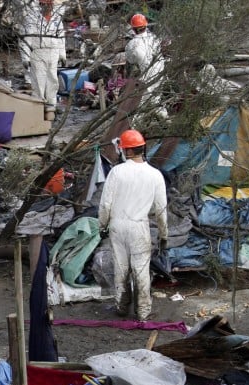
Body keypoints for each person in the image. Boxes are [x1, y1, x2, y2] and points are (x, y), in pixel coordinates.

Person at [97, 129, 167, 320]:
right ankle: (143, 311)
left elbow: (105, 204)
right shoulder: (155, 175)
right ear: (142, 148)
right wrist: (164, 235)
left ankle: (121, 306)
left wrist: (102, 226)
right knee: (141, 268)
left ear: (126, 150)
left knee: (121, 268)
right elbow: (161, 210)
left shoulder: (116, 172)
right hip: (139, 226)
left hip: (117, 226)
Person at [20, 0, 66, 111]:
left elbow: (61, 37)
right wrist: (25, 57)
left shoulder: (56, 19)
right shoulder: (31, 19)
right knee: (38, 81)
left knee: (53, 80)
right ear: (41, 5)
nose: (48, 7)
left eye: (50, 5)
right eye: (45, 4)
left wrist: (62, 54)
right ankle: (38, 107)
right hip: (38, 53)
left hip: (53, 52)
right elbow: (25, 39)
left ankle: (51, 106)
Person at [124, 13, 166, 116]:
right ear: (145, 26)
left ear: (133, 29)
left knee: (138, 107)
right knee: (156, 101)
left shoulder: (132, 44)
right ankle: (165, 120)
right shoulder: (154, 38)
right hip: (160, 73)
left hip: (147, 77)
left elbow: (131, 61)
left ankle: (135, 124)